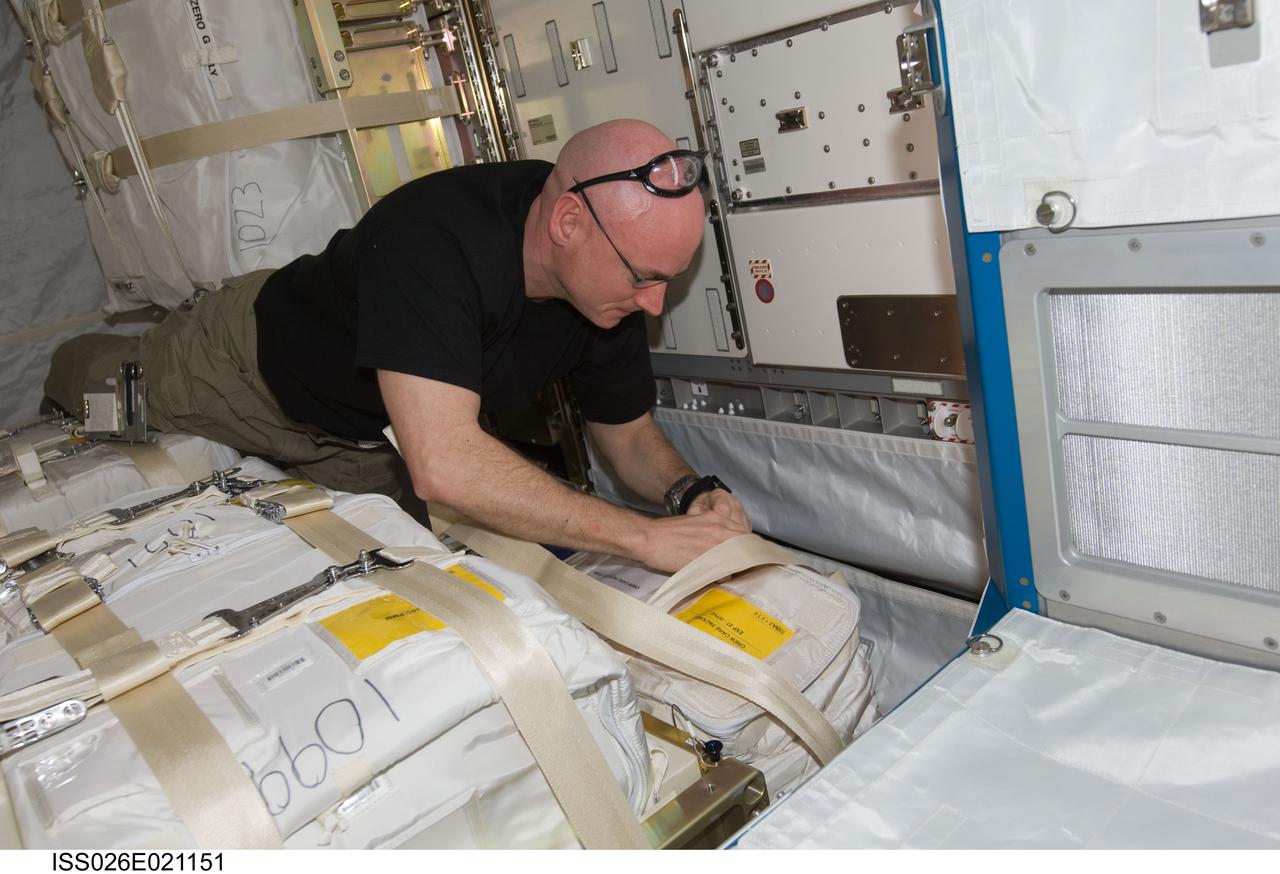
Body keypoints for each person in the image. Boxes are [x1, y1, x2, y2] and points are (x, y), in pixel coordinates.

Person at [46, 119, 749, 572]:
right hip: (242, 373)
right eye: (646, 278)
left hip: (373, 442)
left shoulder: (607, 293)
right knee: (109, 405)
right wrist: (641, 536)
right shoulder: (437, 239)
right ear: (569, 220)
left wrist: (689, 494)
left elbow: (627, 437)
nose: (654, 304)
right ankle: (76, 371)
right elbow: (445, 465)